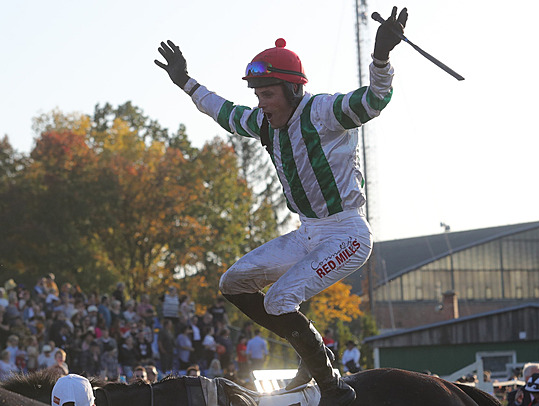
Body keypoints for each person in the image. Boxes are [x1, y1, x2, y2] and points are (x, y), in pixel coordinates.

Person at [155, 6, 407, 406]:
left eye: (268, 94)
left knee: (277, 300)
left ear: (293, 90)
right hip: (308, 232)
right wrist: (186, 82)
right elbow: (222, 111)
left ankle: (332, 388)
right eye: (257, 94)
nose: (261, 103)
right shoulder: (262, 122)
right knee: (232, 282)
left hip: (347, 233)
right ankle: (315, 353)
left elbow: (375, 100)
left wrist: (381, 58)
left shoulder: (323, 111)